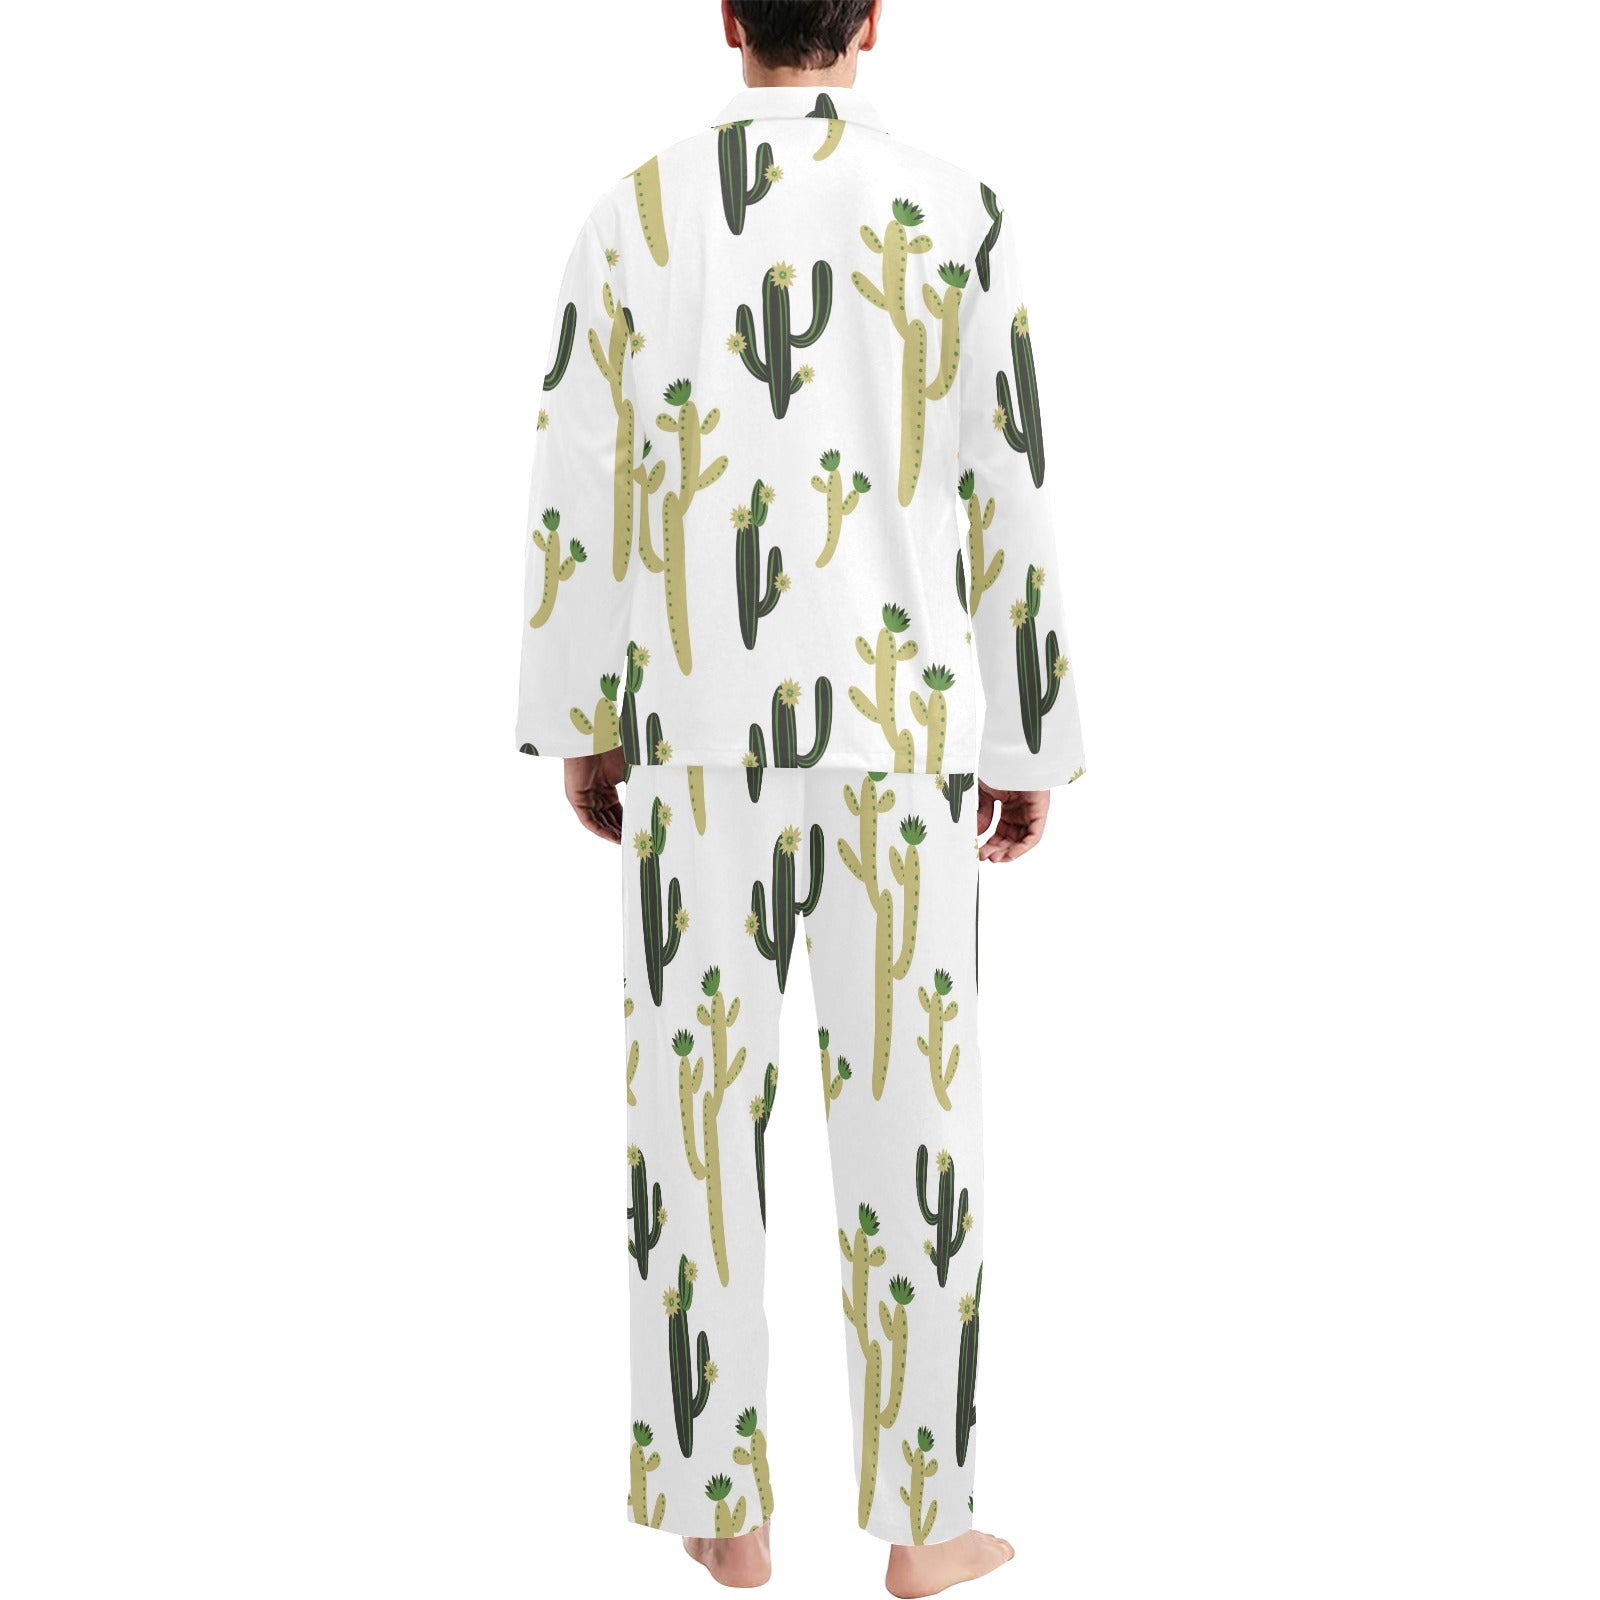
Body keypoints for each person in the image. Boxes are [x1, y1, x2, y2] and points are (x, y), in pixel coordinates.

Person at [517, 2, 1084, 1591]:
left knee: (691, 1120)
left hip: (692, 732)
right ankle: (927, 1523)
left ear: (727, 16)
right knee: (918, 1131)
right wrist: (1028, 730)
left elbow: (577, 477)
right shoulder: (959, 212)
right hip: (896, 738)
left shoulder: (634, 212)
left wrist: (581, 719)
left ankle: (720, 1503)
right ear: (874, 19)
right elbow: (1008, 479)